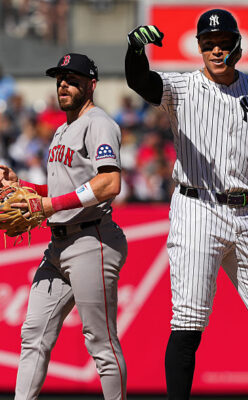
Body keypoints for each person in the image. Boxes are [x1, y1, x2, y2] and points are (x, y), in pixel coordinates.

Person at [125, 9, 248, 400]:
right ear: (199, 48)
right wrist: (135, 50)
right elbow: (141, 81)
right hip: (196, 207)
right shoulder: (183, 88)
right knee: (188, 319)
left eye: (223, 43)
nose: (216, 50)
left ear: (237, 45)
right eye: (208, 44)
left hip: (247, 210)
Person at [0, 53, 128, 400]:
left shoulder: (98, 123)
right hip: (59, 245)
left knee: (101, 343)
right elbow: (56, 192)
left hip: (92, 239)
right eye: (60, 78)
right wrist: (24, 185)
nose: (64, 85)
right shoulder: (61, 130)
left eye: (72, 78)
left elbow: (109, 183)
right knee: (33, 335)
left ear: (91, 85)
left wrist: (49, 205)